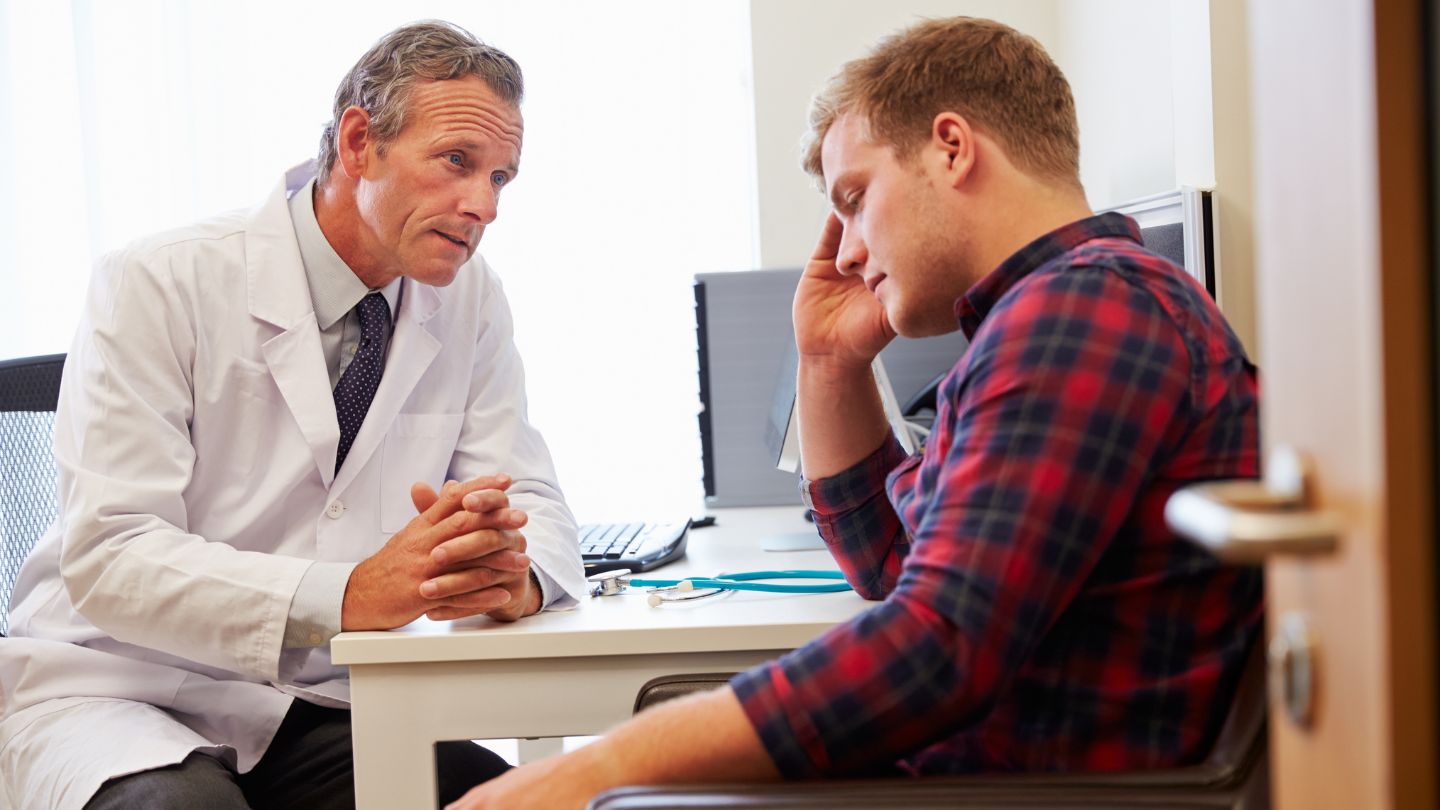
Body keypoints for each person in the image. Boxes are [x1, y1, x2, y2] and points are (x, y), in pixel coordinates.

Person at [449, 15, 1263, 809]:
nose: (843, 252)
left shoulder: (1083, 310)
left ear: (952, 147)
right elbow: (894, 569)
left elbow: (938, 646)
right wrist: (828, 359)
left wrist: (597, 767)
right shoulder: (1056, 313)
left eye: (855, 197)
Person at [0, 20, 585, 810]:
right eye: (457, 162)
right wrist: (349, 595)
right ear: (357, 142)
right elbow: (111, 556)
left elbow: (533, 504)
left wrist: (506, 577)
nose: (483, 205)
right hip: (117, 688)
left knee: (517, 800)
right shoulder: (158, 281)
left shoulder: (470, 302)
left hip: (310, 701)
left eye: (501, 179)